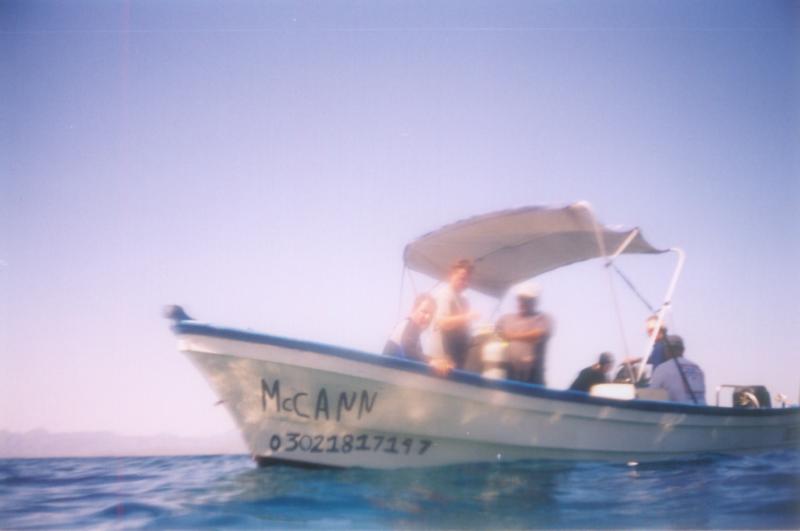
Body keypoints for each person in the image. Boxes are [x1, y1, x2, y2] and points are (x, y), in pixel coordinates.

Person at [495, 282, 554, 385]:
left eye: (527, 300)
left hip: (532, 379)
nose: (522, 302)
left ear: (535, 301)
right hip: (505, 375)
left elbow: (539, 334)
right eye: (520, 299)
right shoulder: (505, 318)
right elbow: (495, 335)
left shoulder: (543, 318)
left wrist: (511, 336)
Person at [430, 259, 479, 370]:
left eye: (467, 280)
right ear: (451, 275)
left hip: (456, 358)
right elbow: (442, 322)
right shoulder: (445, 295)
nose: (465, 283)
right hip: (441, 359)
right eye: (462, 279)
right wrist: (467, 317)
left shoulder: (464, 300)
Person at [649, 335, 706, 405]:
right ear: (683, 350)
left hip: (678, 412)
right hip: (702, 412)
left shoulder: (662, 369)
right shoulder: (697, 368)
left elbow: (652, 395)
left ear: (666, 350)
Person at [383, 294, 437, 362]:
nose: (428, 317)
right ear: (414, 310)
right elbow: (408, 350)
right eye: (424, 311)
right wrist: (432, 361)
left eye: (431, 314)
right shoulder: (409, 324)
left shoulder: (414, 337)